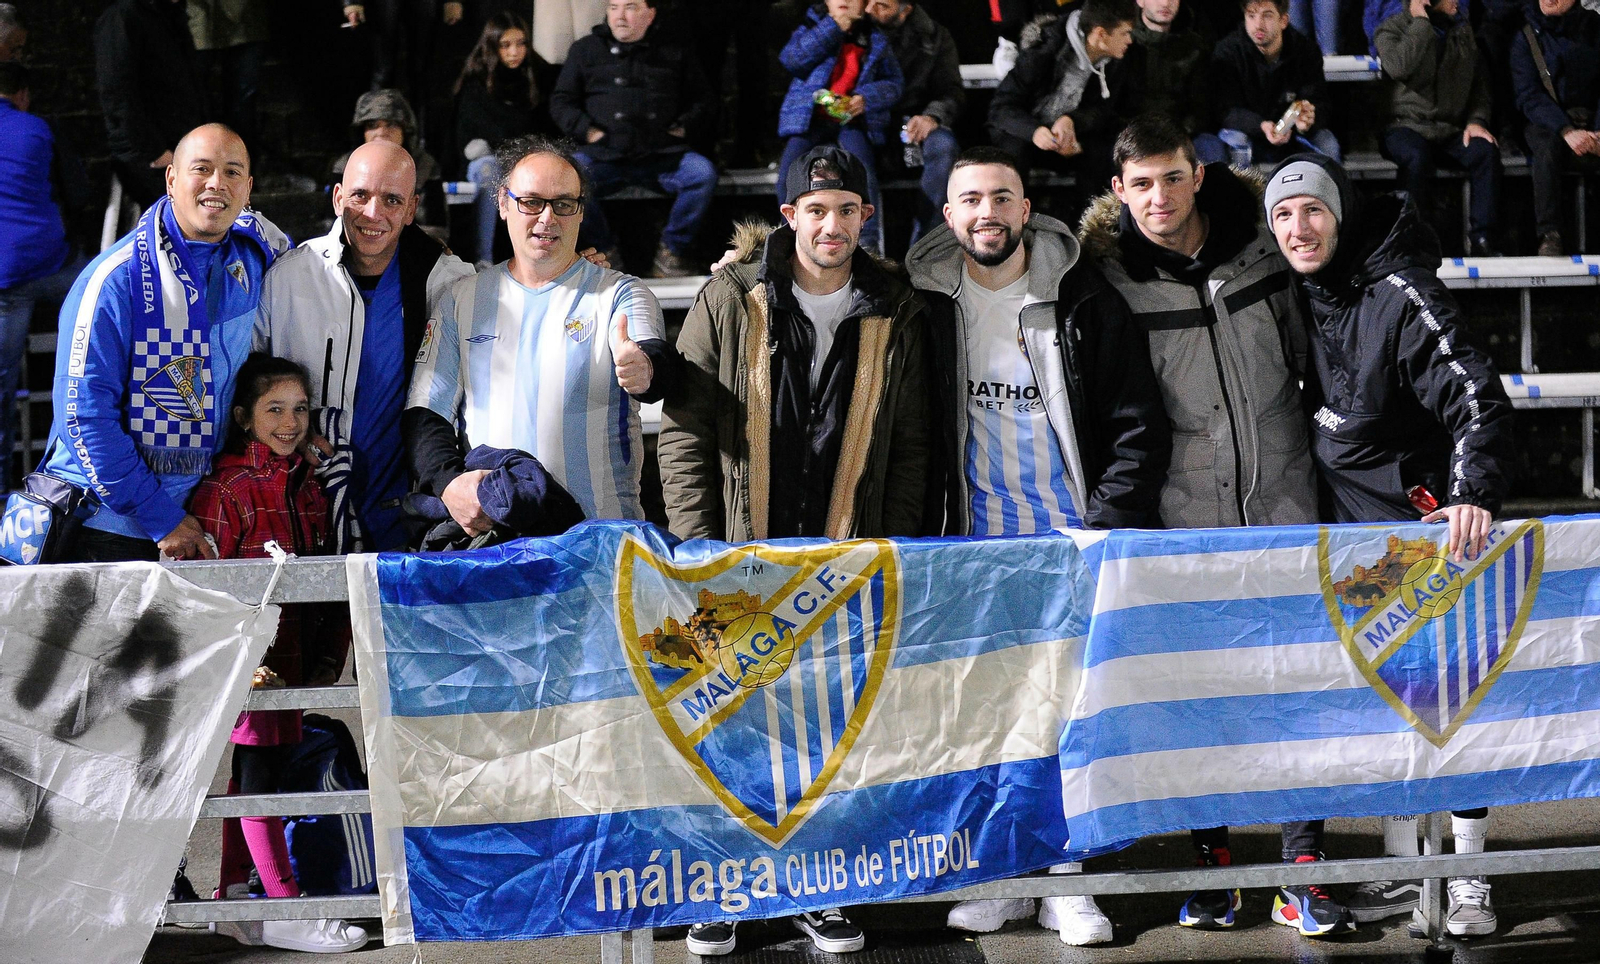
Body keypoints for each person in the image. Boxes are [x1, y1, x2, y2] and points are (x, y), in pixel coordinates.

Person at [1077, 116, 1353, 937]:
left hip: (1289, 507)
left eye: (1171, 178)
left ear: (1198, 175)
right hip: (1182, 521)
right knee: (1204, 700)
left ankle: (1304, 868)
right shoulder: (1108, 277)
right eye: (1140, 184)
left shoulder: (1266, 249)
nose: (1157, 198)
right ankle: (1216, 868)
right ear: (1118, 192)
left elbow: (1330, 335)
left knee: (1299, 692)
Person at [658, 144, 927, 958]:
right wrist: (699, 551)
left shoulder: (894, 301)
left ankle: (822, 888)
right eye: (816, 210)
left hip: (846, 548)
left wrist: (895, 545)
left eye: (847, 209)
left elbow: (910, 441)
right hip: (744, 555)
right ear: (788, 217)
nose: (832, 224)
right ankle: (725, 891)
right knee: (731, 725)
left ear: (865, 217)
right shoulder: (730, 295)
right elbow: (685, 428)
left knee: (827, 726)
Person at [906, 146, 1169, 946]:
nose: (987, 212)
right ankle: (1005, 875)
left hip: (1068, 543)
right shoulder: (922, 304)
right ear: (949, 216)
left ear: (1027, 209)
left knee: (1069, 717)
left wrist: (1103, 524)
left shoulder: (1084, 297)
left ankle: (1069, 881)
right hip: (975, 547)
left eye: (1002, 198)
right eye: (970, 200)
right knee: (986, 716)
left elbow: (1136, 424)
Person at [1265, 153, 1517, 938]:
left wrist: (1471, 494)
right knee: (1361, 712)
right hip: (1346, 545)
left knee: (1454, 710)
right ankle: (1403, 874)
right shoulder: (1295, 296)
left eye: (1311, 210)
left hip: (1428, 543)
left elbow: (1480, 398)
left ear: (1340, 213)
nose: (1299, 228)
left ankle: (1469, 876)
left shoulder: (1400, 291)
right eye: (1282, 216)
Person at [41, 123, 289, 564]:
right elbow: (84, 417)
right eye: (202, 169)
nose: (217, 183)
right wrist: (160, 518)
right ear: (171, 178)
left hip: (199, 514)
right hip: (111, 526)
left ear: (248, 189)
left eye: (232, 172)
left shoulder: (254, 258)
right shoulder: (115, 282)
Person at [189, 353, 368, 954]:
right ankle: (285, 906)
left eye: (299, 409)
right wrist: (241, 657)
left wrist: (326, 653)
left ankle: (235, 899)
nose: (290, 422)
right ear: (243, 417)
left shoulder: (309, 485)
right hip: (252, 665)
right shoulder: (228, 486)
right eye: (274, 410)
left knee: (254, 777)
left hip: (288, 663)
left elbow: (318, 577)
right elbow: (209, 586)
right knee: (259, 776)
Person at [406, 135, 677, 531]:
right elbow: (426, 411)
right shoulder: (461, 299)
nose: (547, 218)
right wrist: (450, 486)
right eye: (531, 202)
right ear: (502, 203)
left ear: (581, 212)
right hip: (497, 541)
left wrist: (646, 369)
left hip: (598, 541)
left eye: (563, 204)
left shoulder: (620, 292)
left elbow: (653, 356)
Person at [256, 139, 474, 552]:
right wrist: (291, 431)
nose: (373, 213)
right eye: (360, 195)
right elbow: (248, 385)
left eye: (392, 200)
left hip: (406, 519)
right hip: (300, 509)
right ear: (338, 197)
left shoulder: (450, 283)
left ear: (412, 209)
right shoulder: (288, 280)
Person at [551, 0, 717, 276]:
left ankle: (671, 252)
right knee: (569, 179)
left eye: (630, 7)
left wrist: (682, 129)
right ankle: (605, 254)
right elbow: (561, 101)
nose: (620, 16)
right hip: (603, 155)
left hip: (662, 155)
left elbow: (703, 100)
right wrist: (588, 131)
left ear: (650, 14)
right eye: (614, 7)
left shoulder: (674, 50)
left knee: (702, 174)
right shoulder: (586, 49)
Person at [0, 62, 86, 484]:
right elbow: (79, 190)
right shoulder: (37, 128)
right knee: (102, 293)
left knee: (1, 391)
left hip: (3, 284)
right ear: (22, 95)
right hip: (51, 267)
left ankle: (2, 494)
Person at [776, 0, 905, 256]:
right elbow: (793, 59)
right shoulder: (812, 26)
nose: (844, 1)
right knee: (788, 173)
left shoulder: (875, 38)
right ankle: (788, 242)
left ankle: (867, 245)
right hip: (810, 121)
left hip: (851, 122)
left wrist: (865, 99)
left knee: (863, 174)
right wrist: (833, 27)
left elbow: (894, 83)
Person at [1374, 0, 1502, 256]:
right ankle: (1409, 241)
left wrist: (1476, 121)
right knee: (1416, 156)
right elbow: (1399, 66)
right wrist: (1421, 22)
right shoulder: (1391, 29)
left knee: (1485, 152)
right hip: (1404, 125)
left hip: (1448, 129)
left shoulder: (1462, 32)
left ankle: (1482, 239)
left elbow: (1480, 87)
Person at [985, 0, 1141, 204]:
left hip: (1073, 140)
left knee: (1105, 151)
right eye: (1124, 33)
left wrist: (1071, 121)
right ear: (1101, 34)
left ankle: (1095, 227)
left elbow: (1104, 111)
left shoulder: (1117, 60)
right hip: (1028, 137)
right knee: (1013, 152)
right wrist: (1034, 131)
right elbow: (1001, 108)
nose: (1130, 40)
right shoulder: (1042, 50)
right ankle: (1013, 222)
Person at [454, 11, 555, 267]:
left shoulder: (539, 76)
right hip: (490, 161)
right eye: (506, 45)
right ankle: (482, 259)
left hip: (530, 158)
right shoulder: (476, 82)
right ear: (493, 47)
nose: (514, 52)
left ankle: (545, 258)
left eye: (521, 44)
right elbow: (470, 137)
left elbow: (548, 128)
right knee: (488, 170)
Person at [865, 0, 966, 242]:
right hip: (867, 123)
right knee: (852, 150)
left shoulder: (935, 37)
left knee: (944, 147)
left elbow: (951, 90)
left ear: (905, 10)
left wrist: (932, 116)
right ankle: (864, 248)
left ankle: (927, 245)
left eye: (882, 5)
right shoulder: (856, 32)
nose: (869, 9)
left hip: (915, 122)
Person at [95, 0, 207, 207]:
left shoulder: (170, 16)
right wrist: (155, 152)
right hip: (154, 157)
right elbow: (117, 93)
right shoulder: (123, 18)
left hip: (179, 150)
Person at [1510, 0, 1600, 256]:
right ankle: (1550, 233)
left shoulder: (1595, 30)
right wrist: (1567, 130)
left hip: (1591, 118)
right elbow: (1529, 95)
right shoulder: (1526, 36)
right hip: (1548, 120)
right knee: (1546, 148)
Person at [1212, 0, 1341, 167]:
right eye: (1251, 16)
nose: (1258, 25)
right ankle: (1241, 193)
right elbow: (1225, 110)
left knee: (1327, 142)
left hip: (1294, 135)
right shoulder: (1228, 51)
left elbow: (1319, 100)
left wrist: (1306, 121)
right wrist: (1261, 126)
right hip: (1250, 132)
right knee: (1235, 141)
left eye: (1267, 16)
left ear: (1284, 21)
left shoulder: (1306, 50)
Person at [1125, 0, 1229, 165]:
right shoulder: (1124, 41)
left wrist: (1178, 133)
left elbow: (1201, 108)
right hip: (1130, 133)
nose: (1166, 3)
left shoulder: (1195, 47)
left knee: (1211, 148)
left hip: (1180, 134)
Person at [330, 88, 444, 226]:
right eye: (372, 125)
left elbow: (436, 228)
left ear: (405, 131)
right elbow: (331, 224)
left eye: (391, 125)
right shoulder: (345, 166)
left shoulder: (425, 166)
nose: (381, 133)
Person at [187, 0, 271, 160]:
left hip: (245, 17)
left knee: (242, 106)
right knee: (194, 102)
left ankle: (240, 176)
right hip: (193, 16)